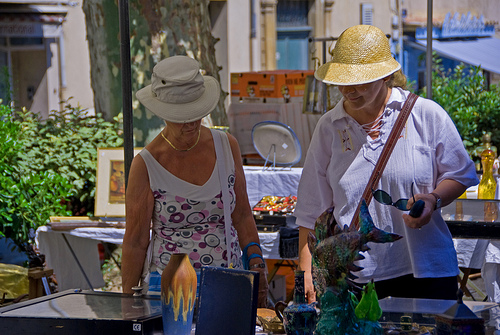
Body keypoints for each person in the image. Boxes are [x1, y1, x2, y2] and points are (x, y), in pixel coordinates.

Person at [294, 25, 479, 302]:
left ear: (387, 76)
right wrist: (306, 270)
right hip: (355, 276)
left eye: (360, 81)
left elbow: (460, 173)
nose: (348, 89)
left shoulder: (425, 115)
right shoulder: (329, 127)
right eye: (342, 80)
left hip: (426, 271)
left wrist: (433, 199)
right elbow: (311, 210)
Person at [122, 55, 268, 307]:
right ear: (163, 113)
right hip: (170, 291)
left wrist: (255, 257)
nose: (190, 123)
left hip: (227, 281)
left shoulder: (226, 146)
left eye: (196, 113)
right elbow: (135, 242)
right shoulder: (146, 164)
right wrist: (125, 306)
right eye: (180, 116)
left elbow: (242, 214)